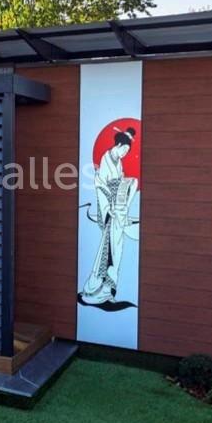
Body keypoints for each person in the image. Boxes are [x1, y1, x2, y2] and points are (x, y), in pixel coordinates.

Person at [80, 126, 139, 306]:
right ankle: (94, 289)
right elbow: (101, 186)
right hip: (109, 209)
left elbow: (118, 182)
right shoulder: (106, 159)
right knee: (109, 251)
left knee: (117, 250)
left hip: (117, 208)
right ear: (119, 145)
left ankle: (107, 289)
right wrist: (110, 208)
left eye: (128, 152)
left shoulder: (117, 161)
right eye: (125, 150)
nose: (125, 154)